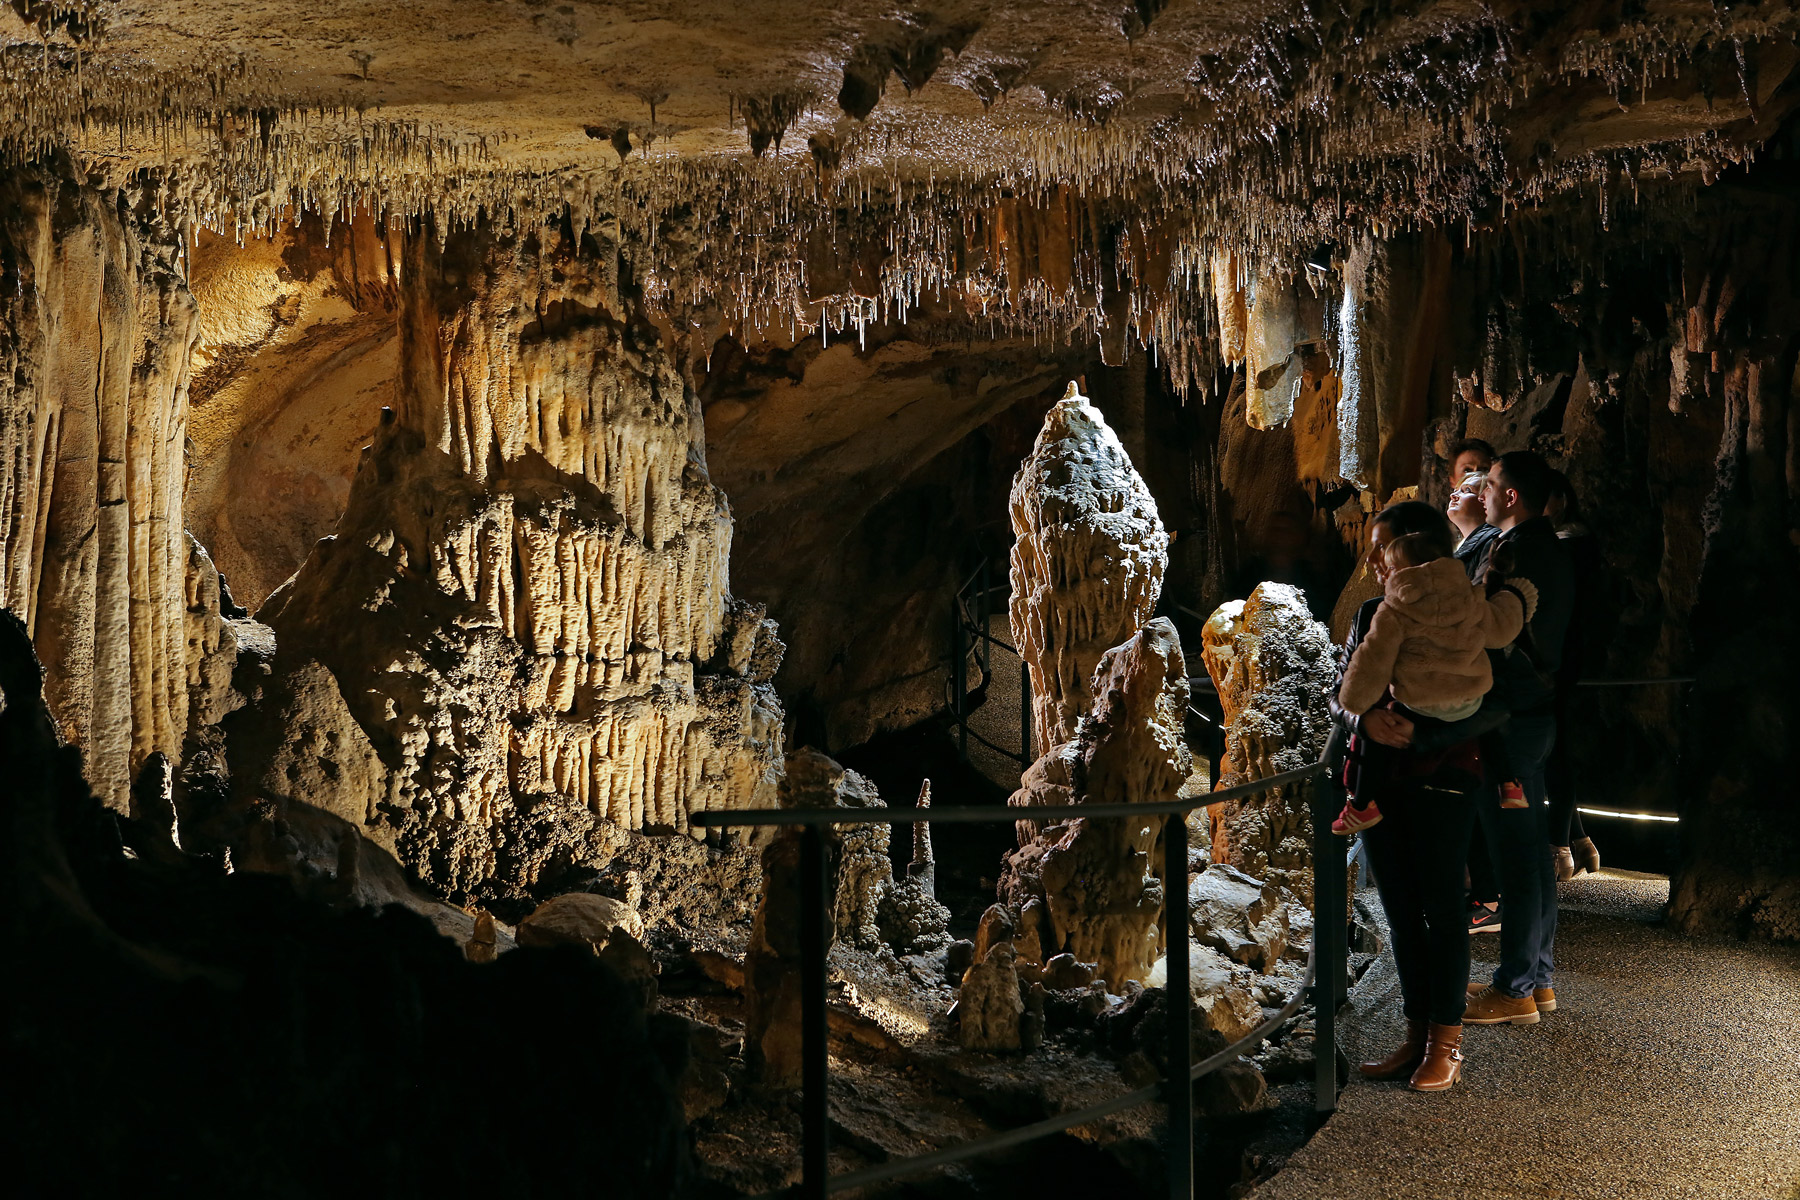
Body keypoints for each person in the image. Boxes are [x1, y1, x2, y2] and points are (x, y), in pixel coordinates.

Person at [1333, 501, 1490, 1092]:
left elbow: (1499, 700)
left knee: (1445, 911)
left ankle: (1446, 1044)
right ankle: (1416, 1032)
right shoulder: (1374, 611)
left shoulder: (1463, 612)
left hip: (1447, 776)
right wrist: (1362, 722)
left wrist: (1427, 730)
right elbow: (1340, 690)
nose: (1373, 561)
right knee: (1400, 911)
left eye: (1382, 548)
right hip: (1385, 783)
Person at [1461, 452, 1575, 1026]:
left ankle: (1514, 988)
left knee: (1517, 856)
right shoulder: (1546, 546)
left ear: (1510, 497)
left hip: (1510, 718)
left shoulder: (1518, 550)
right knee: (1531, 851)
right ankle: (1537, 978)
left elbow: (1492, 630)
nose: (1481, 491)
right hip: (1533, 714)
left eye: (1492, 483)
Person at [1330, 530, 1534, 835]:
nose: (1379, 569)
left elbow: (1372, 663)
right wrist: (1513, 596)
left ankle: (1361, 805)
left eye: (1387, 562)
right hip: (1469, 700)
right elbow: (1501, 628)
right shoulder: (1469, 600)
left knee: (1381, 733)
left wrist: (1357, 706)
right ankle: (1511, 784)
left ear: (1403, 571)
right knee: (1490, 727)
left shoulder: (1394, 610)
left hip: (1420, 710)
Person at [1545, 470, 1602, 879]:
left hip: (1561, 661)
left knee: (1557, 748)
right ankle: (1579, 842)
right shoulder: (1571, 543)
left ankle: (1559, 845)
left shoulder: (1566, 546)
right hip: (1567, 658)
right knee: (1557, 746)